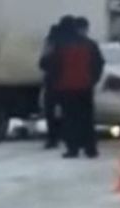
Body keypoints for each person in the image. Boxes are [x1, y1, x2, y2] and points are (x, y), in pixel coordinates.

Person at [40, 15, 105, 158]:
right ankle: (90, 148)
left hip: (66, 87)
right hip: (85, 86)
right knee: (87, 118)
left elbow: (46, 64)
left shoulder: (59, 45)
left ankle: (73, 148)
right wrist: (93, 79)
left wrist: (55, 80)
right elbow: (99, 63)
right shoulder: (90, 44)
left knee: (70, 119)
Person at [39, 16, 73, 150]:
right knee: (69, 110)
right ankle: (67, 135)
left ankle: (52, 138)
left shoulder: (51, 40)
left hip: (52, 80)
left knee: (50, 111)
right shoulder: (74, 40)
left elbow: (43, 61)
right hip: (69, 81)